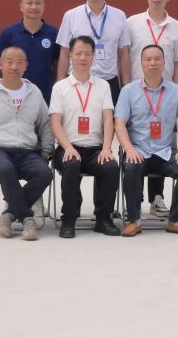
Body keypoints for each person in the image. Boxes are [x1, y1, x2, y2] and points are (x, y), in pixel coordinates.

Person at [0, 46, 55, 241]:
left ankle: (8, 216)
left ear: (26, 66)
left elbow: (45, 124)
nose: (14, 66)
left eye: (19, 62)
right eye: (9, 62)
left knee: (44, 173)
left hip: (26, 151)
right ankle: (27, 219)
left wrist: (47, 150)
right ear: (0, 64)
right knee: (6, 168)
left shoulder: (34, 92)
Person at [114, 44, 178, 236]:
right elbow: (119, 123)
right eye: (148, 59)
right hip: (139, 150)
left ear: (164, 62)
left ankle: (175, 219)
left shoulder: (176, 91)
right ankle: (134, 220)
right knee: (131, 167)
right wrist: (129, 149)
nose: (153, 63)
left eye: (157, 59)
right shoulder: (128, 91)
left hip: (166, 152)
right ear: (141, 63)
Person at [126, 0, 178, 219]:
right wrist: (125, 85)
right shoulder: (132, 23)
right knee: (138, 143)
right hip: (137, 93)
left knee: (162, 143)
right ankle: (134, 200)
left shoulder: (176, 27)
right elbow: (124, 56)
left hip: (165, 95)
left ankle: (157, 197)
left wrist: (177, 90)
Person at [49, 35, 121, 238]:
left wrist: (106, 148)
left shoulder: (103, 86)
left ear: (93, 56)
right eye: (78, 53)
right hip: (68, 147)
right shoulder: (60, 87)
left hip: (95, 149)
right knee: (71, 164)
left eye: (87, 54)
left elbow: (108, 119)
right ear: (70, 55)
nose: (82, 58)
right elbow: (55, 122)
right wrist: (68, 147)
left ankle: (103, 218)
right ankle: (69, 219)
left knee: (110, 167)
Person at [56, 0, 131, 100]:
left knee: (109, 114)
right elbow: (64, 52)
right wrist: (59, 84)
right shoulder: (71, 15)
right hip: (77, 82)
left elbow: (123, 54)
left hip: (109, 82)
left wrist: (126, 86)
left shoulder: (119, 16)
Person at [0, 0, 61, 102]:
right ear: (21, 6)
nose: (34, 7)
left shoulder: (54, 33)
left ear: (44, 6)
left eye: (38, 3)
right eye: (29, 3)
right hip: (14, 96)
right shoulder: (8, 33)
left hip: (45, 95)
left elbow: (57, 63)